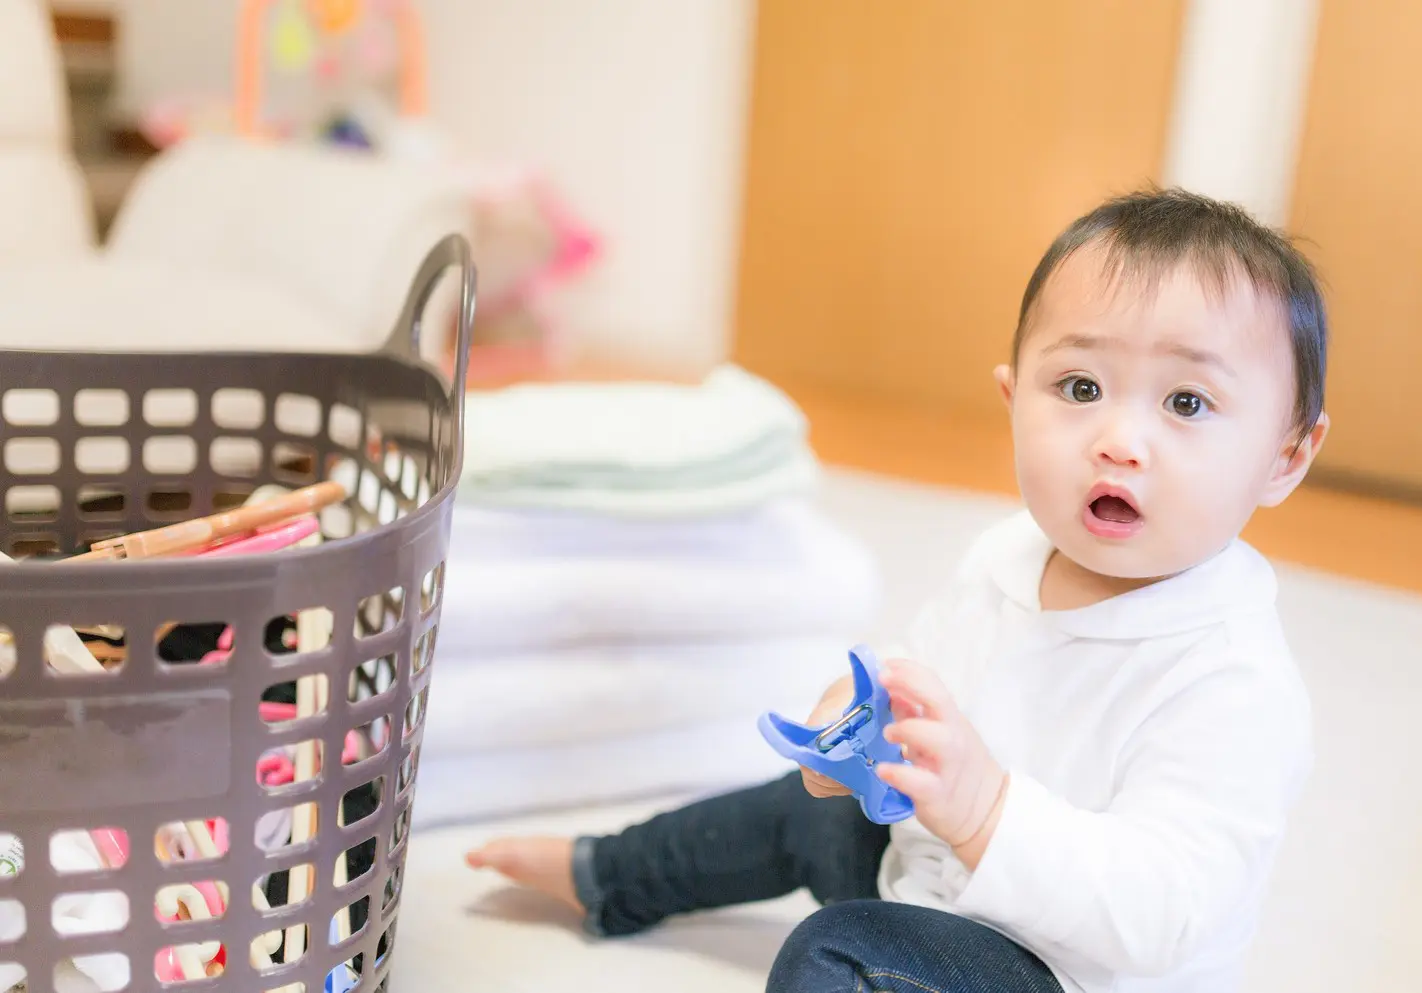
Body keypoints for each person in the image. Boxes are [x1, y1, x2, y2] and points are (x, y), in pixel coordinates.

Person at [465, 188, 1330, 993]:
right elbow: (931, 671)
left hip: (1073, 973)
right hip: (945, 881)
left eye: (1186, 401)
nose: (1120, 439)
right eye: (1079, 387)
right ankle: (611, 874)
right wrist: (867, 707)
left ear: (1285, 455)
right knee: (807, 814)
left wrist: (988, 809)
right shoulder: (1007, 556)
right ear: (1013, 395)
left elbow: (1161, 915)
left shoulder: (1231, 682)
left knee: (838, 952)